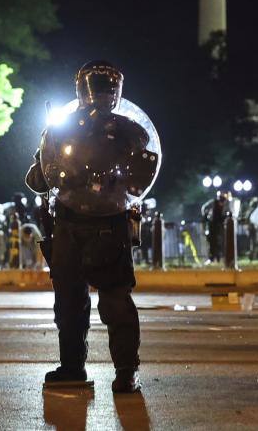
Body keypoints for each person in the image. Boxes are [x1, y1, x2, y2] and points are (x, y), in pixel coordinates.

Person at [26, 60, 159, 394]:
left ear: (79, 88)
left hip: (76, 226)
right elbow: (142, 176)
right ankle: (124, 372)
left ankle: (77, 368)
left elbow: (36, 179)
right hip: (105, 226)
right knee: (111, 301)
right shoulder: (132, 130)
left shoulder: (60, 127)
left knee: (75, 302)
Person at [201, 191, 230, 263]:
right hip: (213, 224)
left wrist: (227, 216)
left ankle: (220, 257)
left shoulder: (226, 203)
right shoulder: (213, 202)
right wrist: (206, 216)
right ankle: (212, 257)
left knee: (221, 241)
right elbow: (204, 208)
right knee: (212, 241)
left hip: (221, 224)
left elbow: (228, 212)